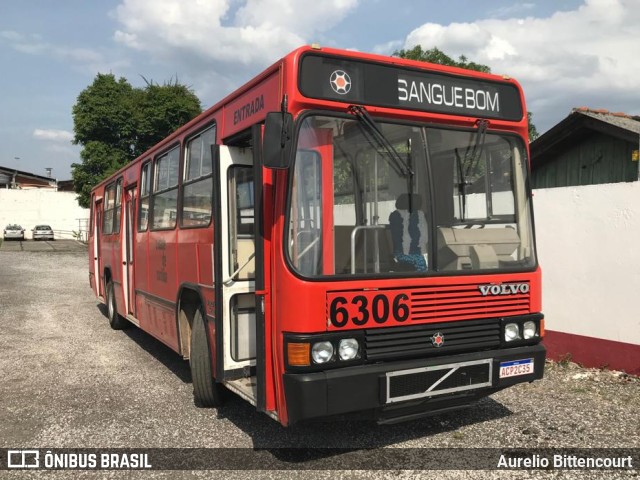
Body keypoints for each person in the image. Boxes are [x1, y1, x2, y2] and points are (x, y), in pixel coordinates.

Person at [388, 193, 428, 271]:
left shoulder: (395, 215)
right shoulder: (420, 214)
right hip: (419, 254)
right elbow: (425, 237)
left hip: (401, 254)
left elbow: (396, 237)